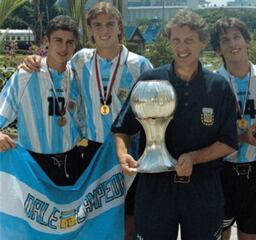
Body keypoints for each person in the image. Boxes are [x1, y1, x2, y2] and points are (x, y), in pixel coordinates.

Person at [21, 3, 153, 239]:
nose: (104, 31)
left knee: (130, 213)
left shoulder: (140, 65)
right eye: (98, 25)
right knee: (94, 215)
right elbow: (55, 66)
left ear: (120, 28)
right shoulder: (81, 60)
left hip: (129, 150)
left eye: (110, 24)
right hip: (92, 152)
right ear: (90, 30)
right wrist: (33, 59)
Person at [112, 9, 238, 240]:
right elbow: (122, 128)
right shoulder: (151, 80)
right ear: (169, 41)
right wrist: (122, 155)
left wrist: (194, 158)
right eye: (176, 40)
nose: (182, 47)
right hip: (155, 186)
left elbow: (229, 142)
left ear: (202, 43)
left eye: (189, 40)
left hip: (202, 186)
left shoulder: (218, 87)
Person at [210, 18, 256, 240]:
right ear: (218, 48)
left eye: (237, 37)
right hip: (221, 169)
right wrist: (243, 137)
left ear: (247, 40)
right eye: (225, 40)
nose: (232, 44)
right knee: (219, 233)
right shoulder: (211, 83)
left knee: (251, 234)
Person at [0, 15, 83, 186]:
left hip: (71, 161)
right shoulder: (25, 75)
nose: (63, 47)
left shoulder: (77, 78)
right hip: (32, 163)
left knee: (68, 212)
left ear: (75, 45)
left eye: (69, 42)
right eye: (58, 40)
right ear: (46, 41)